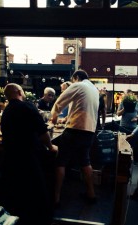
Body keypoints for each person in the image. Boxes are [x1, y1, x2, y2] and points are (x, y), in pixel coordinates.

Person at [0, 83, 58, 225]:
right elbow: (42, 132)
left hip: (9, 158)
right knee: (36, 191)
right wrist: (51, 147)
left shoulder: (6, 111)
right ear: (20, 92)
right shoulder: (27, 107)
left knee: (16, 191)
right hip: (28, 157)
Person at [50, 70, 99, 205]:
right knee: (85, 162)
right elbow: (80, 108)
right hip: (89, 131)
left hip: (75, 130)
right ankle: (91, 194)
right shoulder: (94, 89)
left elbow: (59, 102)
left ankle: (56, 197)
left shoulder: (79, 85)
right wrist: (66, 118)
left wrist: (53, 119)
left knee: (61, 161)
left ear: (76, 78)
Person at [117, 89, 138, 164]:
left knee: (132, 145)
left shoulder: (136, 103)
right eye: (127, 94)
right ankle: (122, 161)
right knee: (122, 145)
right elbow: (118, 114)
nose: (129, 95)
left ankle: (131, 161)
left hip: (133, 128)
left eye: (130, 94)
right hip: (123, 127)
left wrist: (137, 118)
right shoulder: (123, 103)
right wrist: (125, 108)